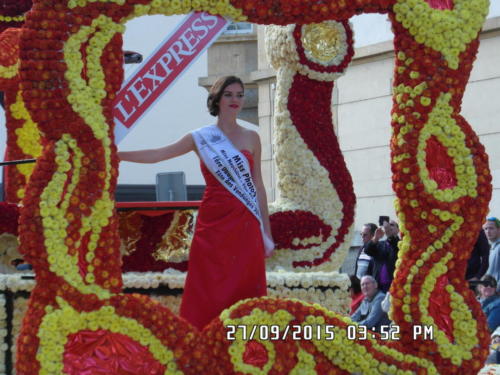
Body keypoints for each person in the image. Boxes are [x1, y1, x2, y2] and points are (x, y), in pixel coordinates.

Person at [118, 76, 274, 330]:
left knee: (244, 284)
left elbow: (258, 185)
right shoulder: (200, 137)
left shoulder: (251, 137)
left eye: (239, 95)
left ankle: (245, 343)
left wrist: (266, 230)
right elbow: (159, 154)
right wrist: (118, 155)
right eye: (229, 94)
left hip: (245, 222)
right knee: (207, 283)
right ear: (217, 98)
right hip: (212, 222)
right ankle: (201, 341)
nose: (235, 100)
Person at [364, 224, 396, 292]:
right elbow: (367, 250)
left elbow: (394, 244)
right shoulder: (380, 244)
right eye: (388, 225)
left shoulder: (401, 244)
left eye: (392, 225)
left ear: (398, 229)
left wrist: (390, 236)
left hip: (393, 284)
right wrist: (376, 237)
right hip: (378, 284)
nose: (389, 227)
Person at [484, 217, 500, 287]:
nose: (488, 231)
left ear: (499, 230)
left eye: (491, 228)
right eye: (486, 229)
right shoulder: (490, 249)